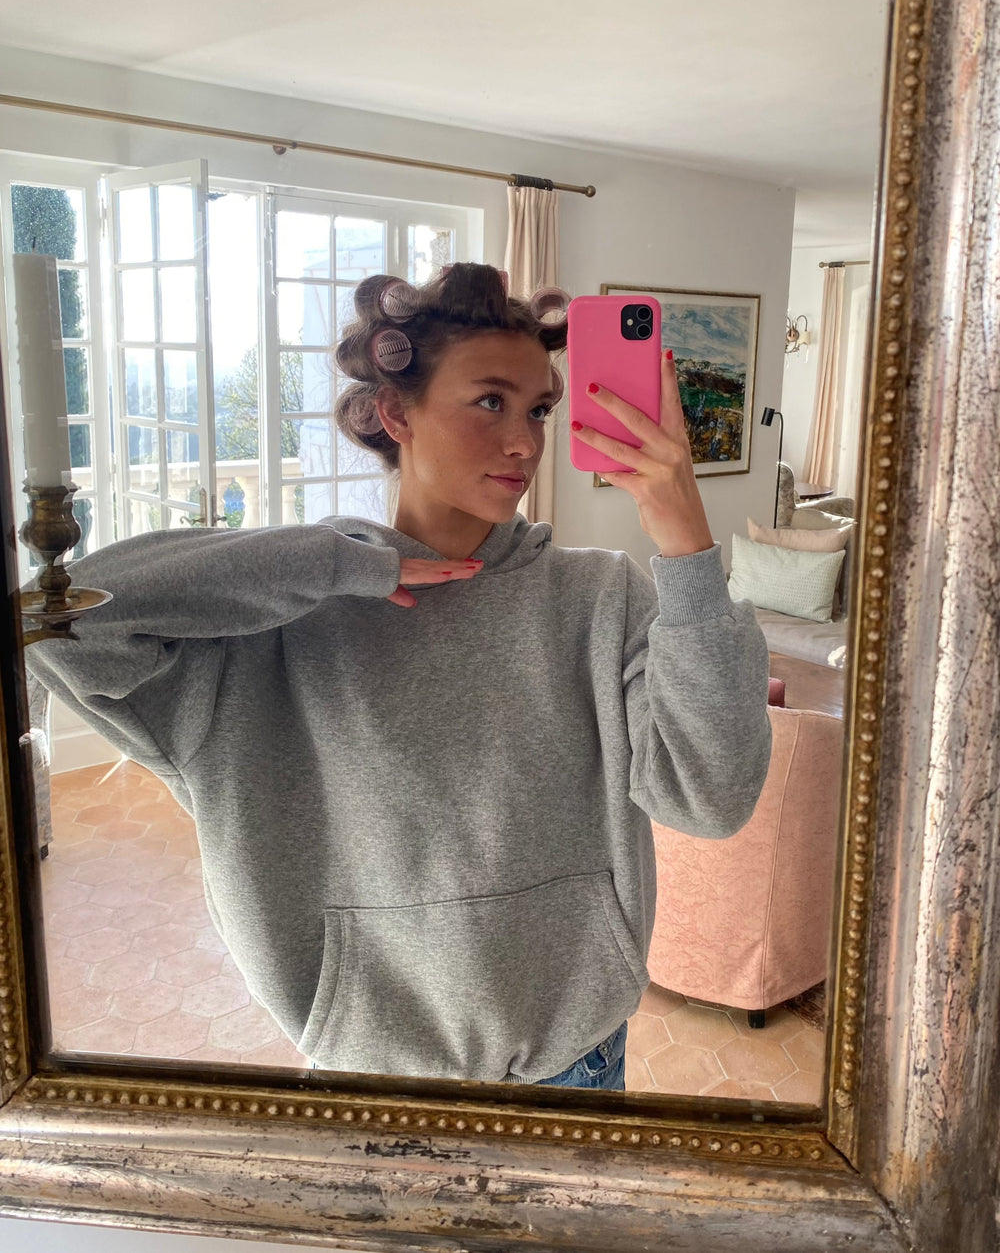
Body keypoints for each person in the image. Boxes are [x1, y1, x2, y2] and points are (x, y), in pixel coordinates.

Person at [26, 263, 771, 1092]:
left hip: (577, 1063)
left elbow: (711, 797)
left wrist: (687, 545)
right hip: (370, 1075)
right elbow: (65, 622)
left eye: (538, 409)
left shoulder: (600, 597)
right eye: (489, 402)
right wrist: (336, 564)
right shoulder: (288, 620)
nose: (524, 443)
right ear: (395, 413)